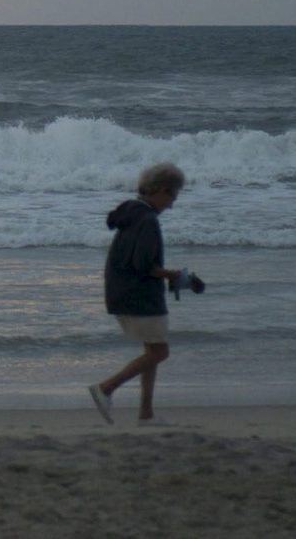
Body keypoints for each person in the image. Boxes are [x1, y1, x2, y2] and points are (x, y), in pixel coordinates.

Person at [89, 160, 197, 423]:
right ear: (160, 190)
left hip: (121, 290)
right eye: (172, 195)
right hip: (139, 294)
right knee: (160, 353)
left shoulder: (132, 213)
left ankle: (146, 414)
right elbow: (145, 266)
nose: (172, 203)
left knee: (152, 352)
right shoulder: (147, 220)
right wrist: (180, 277)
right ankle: (106, 388)